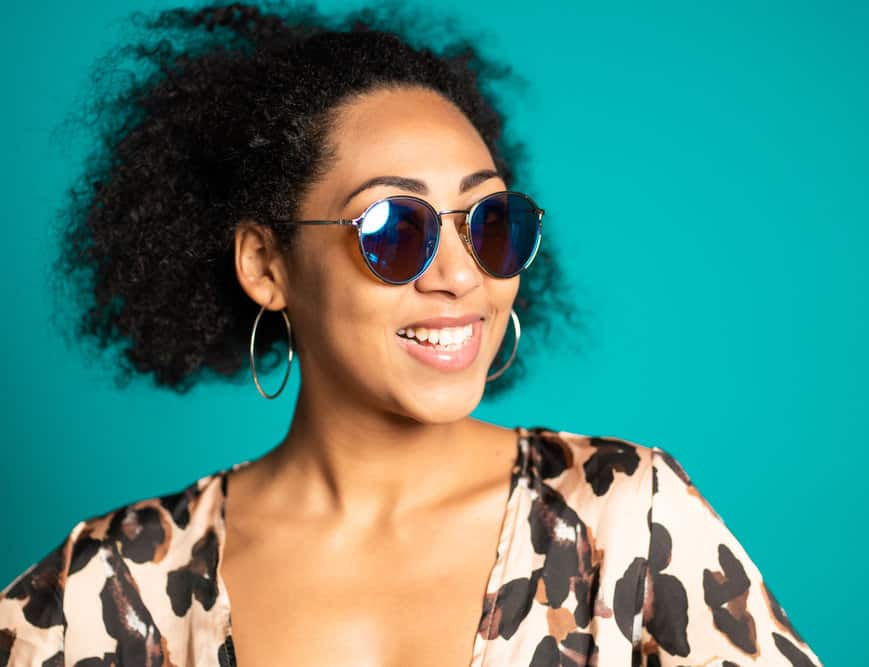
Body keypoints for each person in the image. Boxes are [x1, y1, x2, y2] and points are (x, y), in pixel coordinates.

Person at [0, 2, 824, 666]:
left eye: (490, 222)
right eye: (395, 229)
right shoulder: (114, 586)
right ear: (266, 264)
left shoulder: (628, 520)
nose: (462, 274)